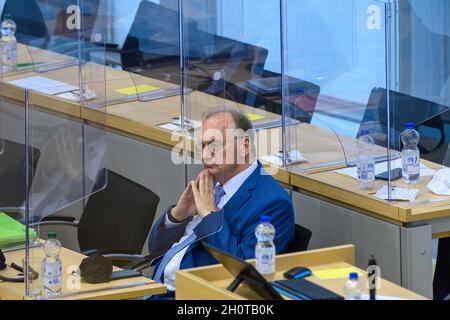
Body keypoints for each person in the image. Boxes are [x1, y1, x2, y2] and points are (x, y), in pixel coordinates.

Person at [147, 107, 295, 299]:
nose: (205, 155)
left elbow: (246, 273)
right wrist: (177, 215)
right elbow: (155, 250)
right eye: (203, 146)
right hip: (154, 289)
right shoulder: (211, 185)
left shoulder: (273, 203)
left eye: (214, 145)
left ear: (245, 145)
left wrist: (210, 216)